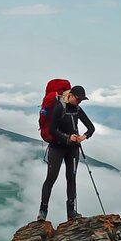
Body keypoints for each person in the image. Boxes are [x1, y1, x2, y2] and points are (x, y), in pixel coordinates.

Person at [38, 84, 95, 222]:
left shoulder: (77, 109)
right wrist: (67, 137)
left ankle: (71, 212)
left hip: (72, 148)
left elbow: (91, 127)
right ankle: (42, 211)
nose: (79, 102)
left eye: (81, 100)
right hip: (57, 147)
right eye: (78, 99)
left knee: (71, 178)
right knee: (51, 178)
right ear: (71, 95)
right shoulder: (59, 107)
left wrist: (83, 137)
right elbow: (52, 130)